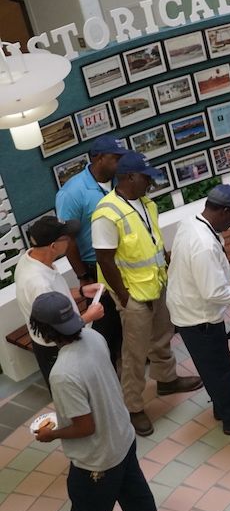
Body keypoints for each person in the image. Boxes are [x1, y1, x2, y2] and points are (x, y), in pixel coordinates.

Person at [30, 291, 165, 511]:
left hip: (97, 463)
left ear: (43, 331)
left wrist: (51, 434)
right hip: (122, 440)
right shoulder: (94, 337)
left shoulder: (62, 374)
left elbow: (85, 427)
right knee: (139, 504)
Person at [93, 151, 202, 437]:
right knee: (135, 353)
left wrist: (168, 265)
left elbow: (153, 240)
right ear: (129, 177)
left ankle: (167, 380)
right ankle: (133, 407)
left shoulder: (146, 203)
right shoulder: (106, 213)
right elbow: (104, 259)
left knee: (163, 335)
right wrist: (124, 298)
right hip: (133, 295)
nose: (150, 183)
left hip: (156, 283)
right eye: (146, 177)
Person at [166, 185, 230, 435]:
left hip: (189, 307)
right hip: (197, 317)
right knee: (218, 368)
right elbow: (214, 293)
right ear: (224, 211)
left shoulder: (190, 222)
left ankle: (225, 405)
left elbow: (203, 272)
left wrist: (226, 278)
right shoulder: (204, 244)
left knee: (215, 365)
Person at [56, 135, 127, 367]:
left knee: (128, 317)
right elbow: (68, 239)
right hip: (95, 267)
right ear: (98, 158)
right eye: (115, 158)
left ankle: (127, 361)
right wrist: (83, 276)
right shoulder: (72, 193)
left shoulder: (122, 180)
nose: (120, 162)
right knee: (106, 324)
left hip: (125, 260)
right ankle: (107, 369)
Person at [14, 217, 105, 388]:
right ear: (53, 246)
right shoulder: (39, 283)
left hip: (58, 340)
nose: (70, 240)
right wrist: (88, 316)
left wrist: (81, 291)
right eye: (66, 238)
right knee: (76, 392)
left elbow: (54, 297)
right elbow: (55, 330)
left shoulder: (30, 259)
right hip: (58, 346)